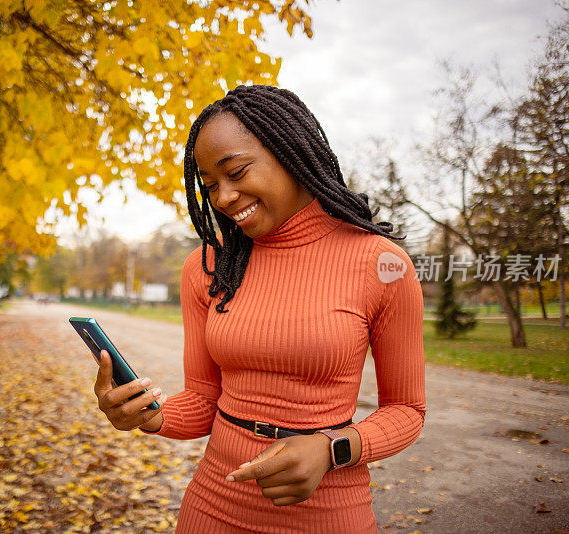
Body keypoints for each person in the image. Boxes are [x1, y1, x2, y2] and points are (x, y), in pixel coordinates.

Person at [93, 84, 425, 533]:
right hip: (213, 505)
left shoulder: (382, 265)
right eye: (210, 185)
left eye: (237, 171)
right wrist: (152, 415)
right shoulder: (208, 267)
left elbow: (407, 410)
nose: (223, 198)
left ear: (291, 153)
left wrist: (332, 448)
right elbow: (204, 401)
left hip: (328, 512)